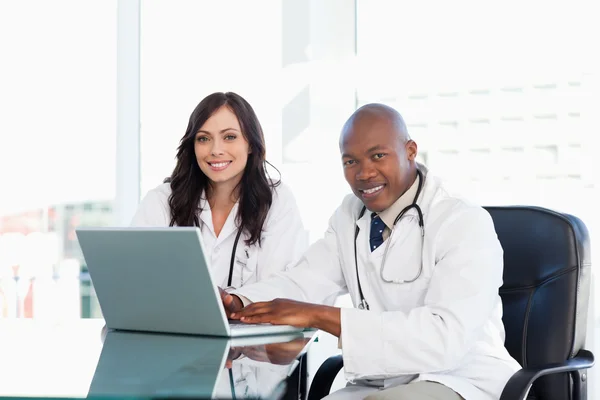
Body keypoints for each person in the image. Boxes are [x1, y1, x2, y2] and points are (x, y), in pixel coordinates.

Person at [222, 104, 521, 400]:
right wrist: (239, 302)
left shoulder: (462, 220)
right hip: (382, 380)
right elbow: (303, 281)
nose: (364, 173)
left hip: (461, 378)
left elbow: (445, 339)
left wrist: (319, 315)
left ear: (411, 151)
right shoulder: (349, 216)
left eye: (378, 156)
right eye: (350, 162)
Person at [131, 91, 307, 290]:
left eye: (229, 137)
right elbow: (137, 281)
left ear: (250, 144)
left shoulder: (276, 200)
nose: (215, 150)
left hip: (252, 322)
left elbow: (280, 289)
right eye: (203, 139)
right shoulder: (161, 201)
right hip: (170, 322)